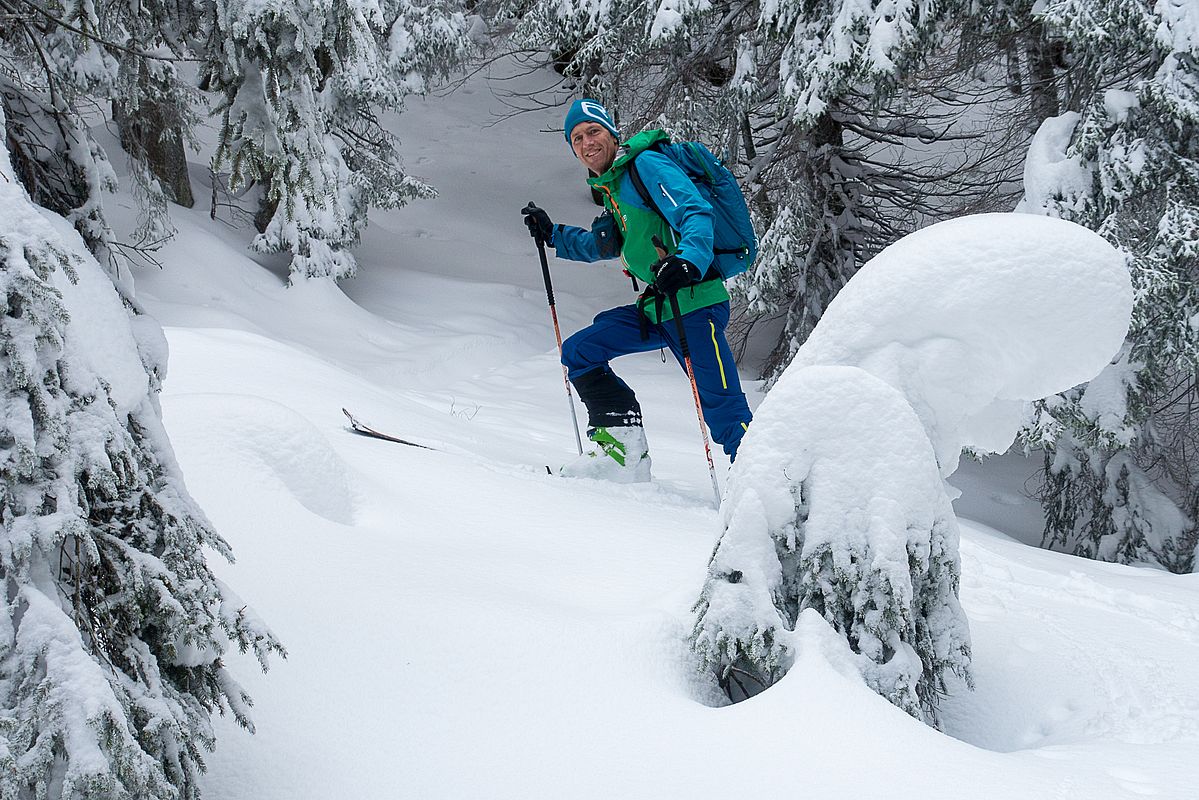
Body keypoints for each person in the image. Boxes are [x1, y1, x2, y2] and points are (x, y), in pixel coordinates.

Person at [522, 99, 753, 482]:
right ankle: (621, 452)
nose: (586, 142)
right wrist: (553, 235)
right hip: (658, 310)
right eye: (576, 138)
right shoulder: (614, 186)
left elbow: (694, 212)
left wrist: (687, 260)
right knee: (580, 351)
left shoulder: (646, 166)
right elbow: (608, 244)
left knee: (723, 411)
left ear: (612, 134)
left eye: (593, 131)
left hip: (695, 306)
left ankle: (765, 489)